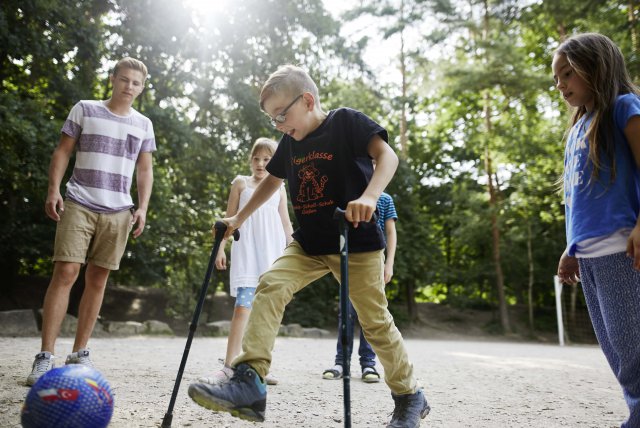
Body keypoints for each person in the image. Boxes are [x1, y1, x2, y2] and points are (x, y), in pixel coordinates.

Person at [188, 64, 430, 427]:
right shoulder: (291, 141)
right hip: (310, 242)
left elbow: (388, 156)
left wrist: (369, 196)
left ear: (308, 100)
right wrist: (239, 218)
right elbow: (273, 182)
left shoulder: (346, 122)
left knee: (374, 321)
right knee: (270, 285)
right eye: (273, 120)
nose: (279, 126)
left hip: (355, 240)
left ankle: (410, 397)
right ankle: (250, 381)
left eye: (281, 115)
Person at [26, 57, 156, 386]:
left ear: (142, 88)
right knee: (66, 272)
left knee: (98, 280)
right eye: (124, 79)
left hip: (119, 210)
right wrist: (53, 189)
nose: (129, 86)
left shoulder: (143, 124)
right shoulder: (85, 109)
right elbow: (62, 152)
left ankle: (80, 351)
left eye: (136, 83)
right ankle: (45, 357)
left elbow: (144, 169)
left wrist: (142, 208)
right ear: (113, 79)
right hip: (79, 200)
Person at [553, 33, 640, 428]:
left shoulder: (623, 108)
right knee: (617, 351)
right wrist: (571, 248)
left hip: (623, 250)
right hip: (589, 257)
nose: (561, 85)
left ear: (597, 67)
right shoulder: (577, 128)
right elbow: (577, 199)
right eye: (556, 79)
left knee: (633, 348)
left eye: (568, 73)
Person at [197, 137, 293, 386]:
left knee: (268, 312)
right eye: (257, 158)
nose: (261, 164)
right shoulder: (241, 184)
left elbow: (285, 224)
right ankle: (229, 366)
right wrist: (220, 248)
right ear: (251, 160)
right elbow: (228, 221)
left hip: (272, 255)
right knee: (243, 308)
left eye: (267, 159)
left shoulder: (279, 186)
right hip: (247, 254)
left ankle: (259, 366)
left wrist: (294, 251)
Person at [322, 191, 397, 383]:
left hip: (373, 262)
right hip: (350, 261)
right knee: (346, 313)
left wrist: (389, 264)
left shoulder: (385, 199)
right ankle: (341, 362)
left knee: (370, 315)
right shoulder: (349, 194)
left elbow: (390, 232)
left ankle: (368, 364)